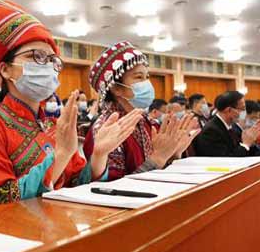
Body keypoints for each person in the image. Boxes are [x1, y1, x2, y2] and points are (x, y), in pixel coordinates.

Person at [0, 0, 140, 208]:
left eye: (52, 60)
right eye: (36, 56)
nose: (46, 65)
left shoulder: (54, 126)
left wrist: (99, 155)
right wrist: (60, 156)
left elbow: (79, 185)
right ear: (5, 69)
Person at [84, 41, 198, 180]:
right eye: (139, 77)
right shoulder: (105, 129)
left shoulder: (149, 123)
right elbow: (112, 188)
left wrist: (174, 153)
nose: (147, 83)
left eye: (147, 77)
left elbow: (163, 175)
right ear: (116, 88)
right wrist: (158, 158)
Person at [193, 91, 260, 157]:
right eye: (242, 109)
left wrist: (251, 141)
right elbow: (226, 158)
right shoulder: (211, 130)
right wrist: (246, 144)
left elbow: (242, 150)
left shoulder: (233, 127)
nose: (244, 113)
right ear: (229, 110)